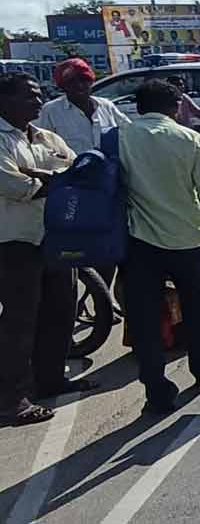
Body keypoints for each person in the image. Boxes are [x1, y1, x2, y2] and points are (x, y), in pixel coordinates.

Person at [119, 79, 200, 413]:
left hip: (139, 240)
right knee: (199, 307)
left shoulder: (120, 137)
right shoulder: (188, 138)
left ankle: (156, 392)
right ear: (175, 107)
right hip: (188, 237)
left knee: (145, 318)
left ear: (140, 107)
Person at [0, 73, 82, 426]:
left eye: (38, 95)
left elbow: (76, 169)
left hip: (55, 237)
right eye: (27, 96)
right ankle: (11, 399)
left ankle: (50, 379)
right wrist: (49, 179)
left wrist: (43, 176)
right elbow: (13, 185)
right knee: (20, 322)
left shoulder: (45, 136)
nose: (37, 101)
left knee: (61, 311)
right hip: (14, 241)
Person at [36, 58, 131, 155]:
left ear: (91, 81)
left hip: (111, 166)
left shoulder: (106, 106)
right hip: (72, 168)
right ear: (63, 86)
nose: (79, 85)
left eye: (84, 80)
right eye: (72, 82)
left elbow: (129, 131)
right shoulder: (51, 110)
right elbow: (44, 147)